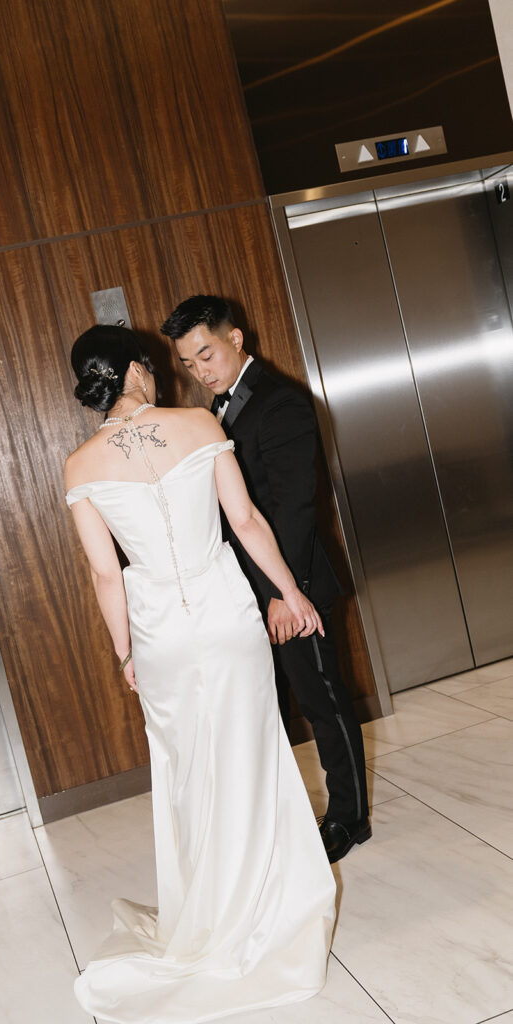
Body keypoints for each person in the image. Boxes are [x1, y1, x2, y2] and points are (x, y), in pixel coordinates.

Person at [64, 324, 336, 1024]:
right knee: (252, 751)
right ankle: (269, 903)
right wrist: (290, 592)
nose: (157, 374)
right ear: (131, 371)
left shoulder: (80, 465)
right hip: (224, 612)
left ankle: (207, 909)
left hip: (159, 630)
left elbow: (104, 573)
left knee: (187, 770)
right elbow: (244, 521)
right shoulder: (197, 423)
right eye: (150, 366)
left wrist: (124, 650)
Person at [160, 295, 371, 864]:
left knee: (323, 700)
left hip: (294, 588)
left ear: (235, 339)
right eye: (188, 363)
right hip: (251, 591)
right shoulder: (224, 409)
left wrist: (285, 594)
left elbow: (295, 507)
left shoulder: (279, 404)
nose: (200, 371)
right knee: (278, 702)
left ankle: (350, 819)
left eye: (206, 354)